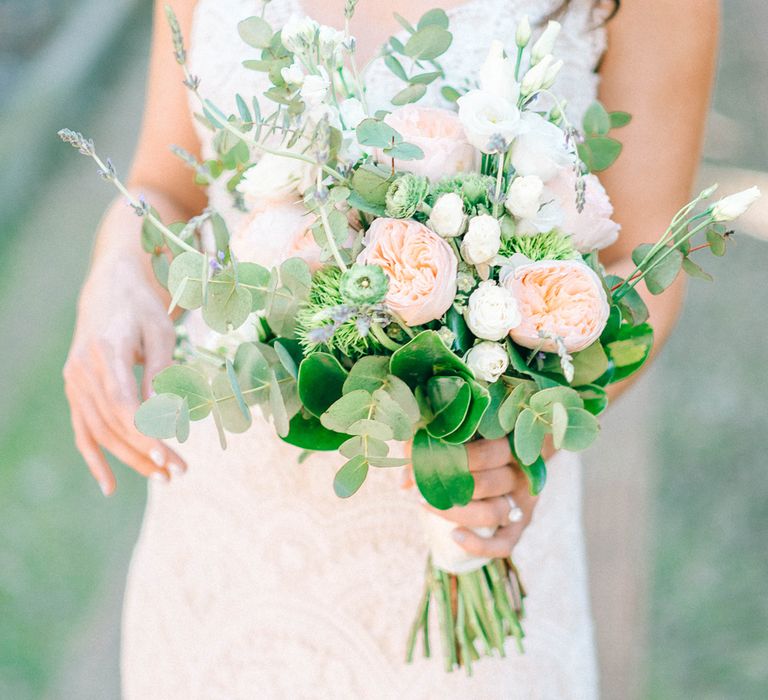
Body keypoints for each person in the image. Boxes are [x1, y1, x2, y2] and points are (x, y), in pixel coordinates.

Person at [62, 0, 718, 697]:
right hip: (226, 535)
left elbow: (644, 268)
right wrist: (116, 271)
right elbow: (164, 188)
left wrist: (516, 430)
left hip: (465, 513)